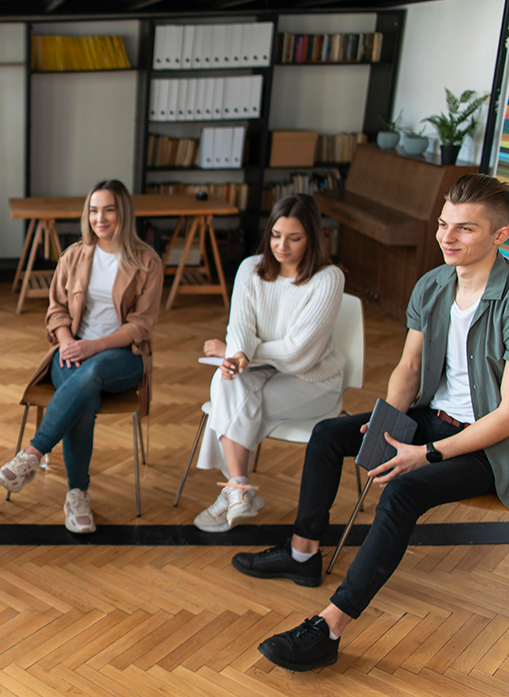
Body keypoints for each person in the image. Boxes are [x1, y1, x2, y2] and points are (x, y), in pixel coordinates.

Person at [233, 174, 509, 672]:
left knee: (403, 492)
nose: (447, 237)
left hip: (491, 446)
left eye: (465, 229)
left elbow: (508, 414)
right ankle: (303, 553)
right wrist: (390, 419)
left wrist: (422, 454)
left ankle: (329, 629)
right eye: (444, 224)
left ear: (500, 236)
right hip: (434, 419)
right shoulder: (434, 284)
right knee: (327, 434)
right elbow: (408, 366)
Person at [0, 179, 163, 532]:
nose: (100, 218)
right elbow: (55, 309)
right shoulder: (74, 255)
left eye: (109, 210)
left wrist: (93, 347)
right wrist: (70, 340)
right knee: (82, 396)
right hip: (71, 351)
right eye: (93, 210)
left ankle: (31, 456)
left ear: (124, 214)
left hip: (121, 357)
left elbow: (141, 326)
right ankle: (77, 496)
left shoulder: (147, 261)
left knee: (94, 371)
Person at [193, 194, 345, 532]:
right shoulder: (251, 268)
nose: (282, 246)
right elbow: (242, 326)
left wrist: (239, 351)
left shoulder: (328, 278)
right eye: (276, 235)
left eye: (295, 238)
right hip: (262, 371)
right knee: (225, 382)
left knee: (232, 401)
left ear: (312, 238)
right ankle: (240, 490)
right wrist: (235, 354)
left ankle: (236, 490)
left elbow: (299, 353)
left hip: (313, 380)